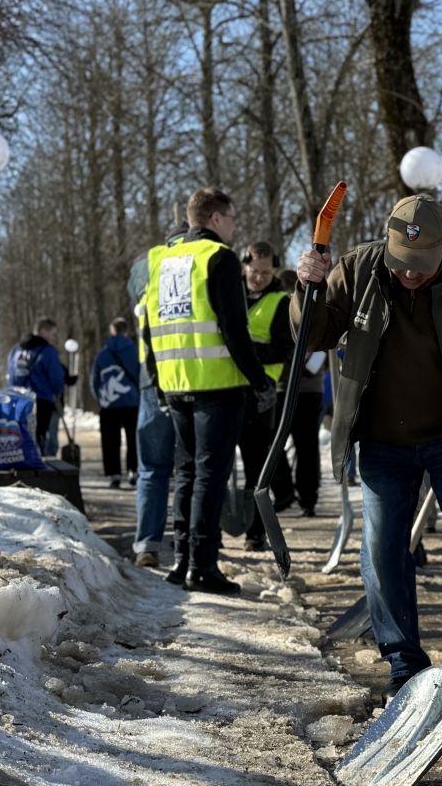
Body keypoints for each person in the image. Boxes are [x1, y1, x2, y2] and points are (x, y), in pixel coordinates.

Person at [293, 193, 442, 715]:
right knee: (382, 552)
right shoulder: (358, 270)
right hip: (381, 440)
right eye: (401, 265)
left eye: (421, 268)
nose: (409, 276)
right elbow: (310, 335)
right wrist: (307, 287)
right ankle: (404, 664)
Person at [142, 187, 274, 594]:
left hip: (175, 382)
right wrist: (260, 380)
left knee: (186, 473)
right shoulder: (218, 258)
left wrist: (157, 379)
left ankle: (182, 559)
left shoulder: (161, 259)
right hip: (216, 385)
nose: (234, 226)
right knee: (209, 476)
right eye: (231, 218)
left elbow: (147, 329)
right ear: (215, 219)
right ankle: (203, 565)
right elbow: (235, 330)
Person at [128, 222, 186, 569]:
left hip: (152, 377)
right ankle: (187, 545)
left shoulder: (144, 264)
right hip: (194, 378)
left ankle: (147, 544)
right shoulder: (202, 258)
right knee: (192, 468)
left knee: (152, 468)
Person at [236, 241, 294, 551]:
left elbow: (285, 351)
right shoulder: (233, 294)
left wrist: (248, 353)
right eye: (254, 271)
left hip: (260, 393)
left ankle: (255, 531)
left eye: (266, 272)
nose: (258, 277)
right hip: (226, 387)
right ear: (244, 266)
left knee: (256, 466)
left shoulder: (281, 302)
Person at [276, 268, 326, 518]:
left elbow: (322, 345)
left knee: (306, 447)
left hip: (306, 388)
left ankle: (306, 497)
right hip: (286, 386)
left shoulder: (309, 307)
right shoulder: (279, 310)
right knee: (289, 445)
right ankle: (294, 494)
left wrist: (309, 362)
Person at [6, 317, 75, 454]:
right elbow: (56, 376)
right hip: (42, 399)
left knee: (24, 434)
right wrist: (57, 391)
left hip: (19, 399)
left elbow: (11, 373)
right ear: (43, 331)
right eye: (52, 333)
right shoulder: (47, 351)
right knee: (40, 435)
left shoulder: (16, 350)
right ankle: (40, 464)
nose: (54, 338)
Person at [90, 317, 140, 488]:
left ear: (112, 331)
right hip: (133, 403)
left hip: (109, 404)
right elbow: (142, 375)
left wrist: (100, 398)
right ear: (126, 331)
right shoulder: (135, 351)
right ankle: (134, 470)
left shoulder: (102, 354)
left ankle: (114, 474)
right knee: (134, 439)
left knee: (111, 440)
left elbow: (94, 380)